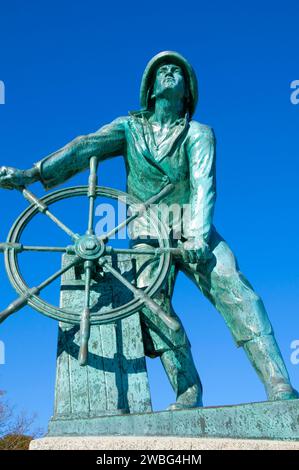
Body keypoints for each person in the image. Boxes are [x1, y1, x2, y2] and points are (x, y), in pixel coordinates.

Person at [0, 51, 297, 409]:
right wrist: (31, 174)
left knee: (235, 288)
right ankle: (188, 389)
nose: (170, 73)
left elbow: (204, 185)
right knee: (150, 305)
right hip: (146, 232)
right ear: (150, 89)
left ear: (187, 92)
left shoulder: (199, 134)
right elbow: (83, 147)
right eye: (163, 71)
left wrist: (198, 236)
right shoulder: (129, 128)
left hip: (193, 228)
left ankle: (278, 381)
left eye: (178, 72)